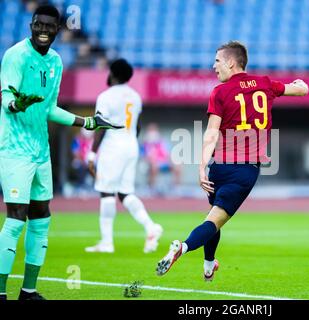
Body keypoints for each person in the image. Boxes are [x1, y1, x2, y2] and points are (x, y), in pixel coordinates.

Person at [155, 41, 309, 280]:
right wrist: (300, 83)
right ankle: (182, 247)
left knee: (213, 217)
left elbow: (212, 133)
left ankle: (209, 265)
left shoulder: (220, 92)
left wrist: (202, 166)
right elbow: (302, 90)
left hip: (219, 167)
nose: (213, 66)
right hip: (244, 171)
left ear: (230, 62)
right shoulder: (265, 84)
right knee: (215, 220)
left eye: (217, 61)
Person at [0, 5, 122, 301]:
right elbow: (6, 98)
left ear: (58, 30)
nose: (43, 30)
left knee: (42, 218)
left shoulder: (56, 61)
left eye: (49, 26)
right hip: (15, 150)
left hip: (41, 153)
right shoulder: (15, 55)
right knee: (17, 218)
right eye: (38, 25)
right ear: (31, 25)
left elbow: (50, 108)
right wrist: (18, 104)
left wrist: (89, 122)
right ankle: (1, 292)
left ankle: (28, 291)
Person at [85, 59, 163, 254]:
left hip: (113, 147)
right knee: (125, 193)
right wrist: (131, 145)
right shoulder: (135, 96)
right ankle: (150, 227)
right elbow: (137, 126)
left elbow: (100, 126)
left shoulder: (105, 96)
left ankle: (106, 243)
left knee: (106, 192)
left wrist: (93, 153)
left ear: (112, 74)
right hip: (131, 146)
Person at [143, 123, 181, 191]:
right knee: (154, 166)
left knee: (178, 166)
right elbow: (145, 157)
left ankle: (175, 188)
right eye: (151, 131)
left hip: (163, 163)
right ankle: (152, 188)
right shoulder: (145, 144)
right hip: (152, 164)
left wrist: (171, 161)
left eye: (154, 130)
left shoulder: (162, 143)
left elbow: (167, 155)